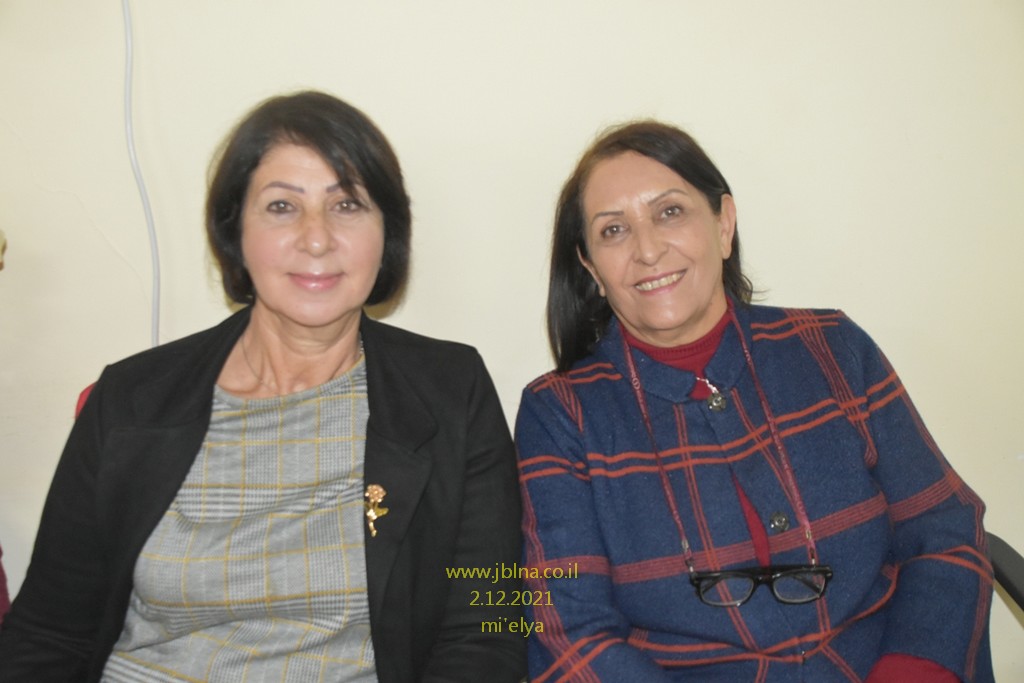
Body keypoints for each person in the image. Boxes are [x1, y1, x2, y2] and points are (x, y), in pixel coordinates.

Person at [0, 91, 525, 682]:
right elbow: (48, 632)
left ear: (388, 234)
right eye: (281, 206)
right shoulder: (131, 399)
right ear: (235, 234)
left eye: (347, 204)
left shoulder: (450, 392)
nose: (316, 238)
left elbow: (490, 627)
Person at [515, 121, 994, 681]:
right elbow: (568, 631)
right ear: (591, 269)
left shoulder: (833, 348)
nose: (647, 249)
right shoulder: (561, 414)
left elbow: (944, 530)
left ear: (724, 225)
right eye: (614, 230)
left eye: (670, 212)